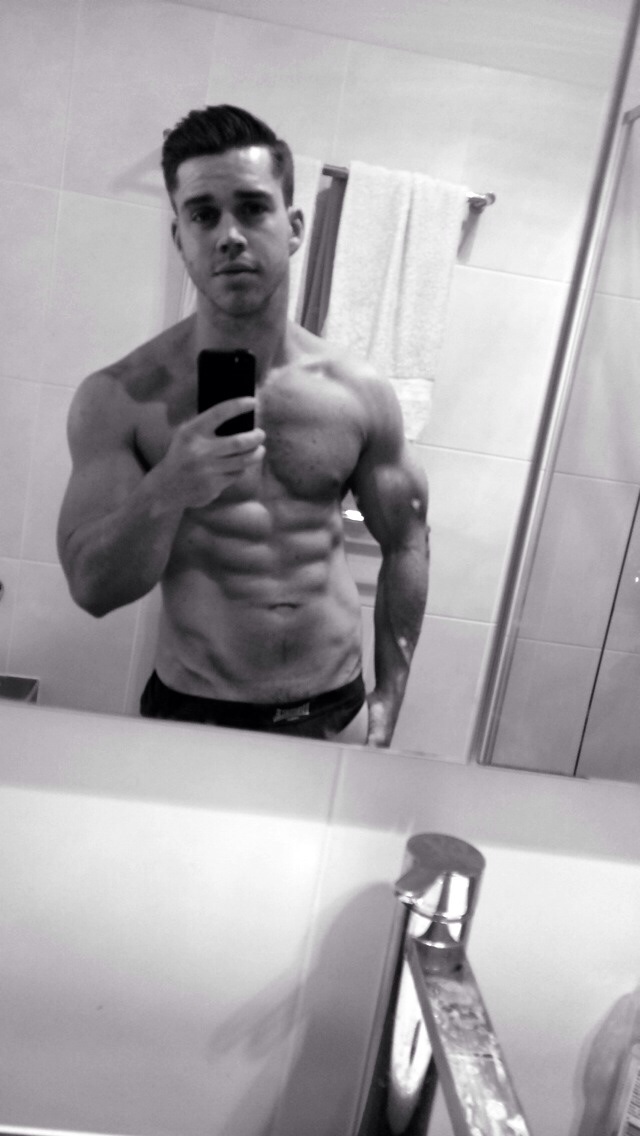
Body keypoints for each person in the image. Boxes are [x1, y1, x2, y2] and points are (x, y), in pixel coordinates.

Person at [57, 105, 429, 747]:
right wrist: (169, 487)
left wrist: (391, 692)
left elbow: (407, 541)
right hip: (194, 712)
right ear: (180, 238)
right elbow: (93, 590)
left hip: (335, 708)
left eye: (253, 208)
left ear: (294, 227)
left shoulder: (358, 393)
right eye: (203, 215)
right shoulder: (119, 399)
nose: (229, 235)